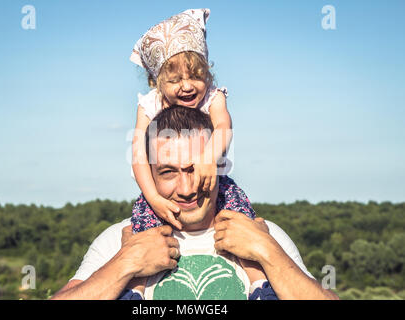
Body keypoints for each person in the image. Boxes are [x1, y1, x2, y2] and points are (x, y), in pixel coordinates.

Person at [51, 107, 339, 300]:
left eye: (196, 169)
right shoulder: (121, 240)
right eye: (168, 172)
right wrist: (126, 263)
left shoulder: (261, 234)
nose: (187, 189)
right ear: (148, 175)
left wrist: (267, 252)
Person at [130, 8, 256, 234]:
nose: (187, 86)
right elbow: (138, 154)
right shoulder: (150, 104)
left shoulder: (213, 97)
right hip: (158, 191)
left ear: (208, 73)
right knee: (143, 233)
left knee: (244, 227)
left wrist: (209, 157)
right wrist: (153, 198)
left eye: (196, 76)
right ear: (157, 82)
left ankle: (255, 264)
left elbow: (223, 126)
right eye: (175, 80)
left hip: (214, 184)